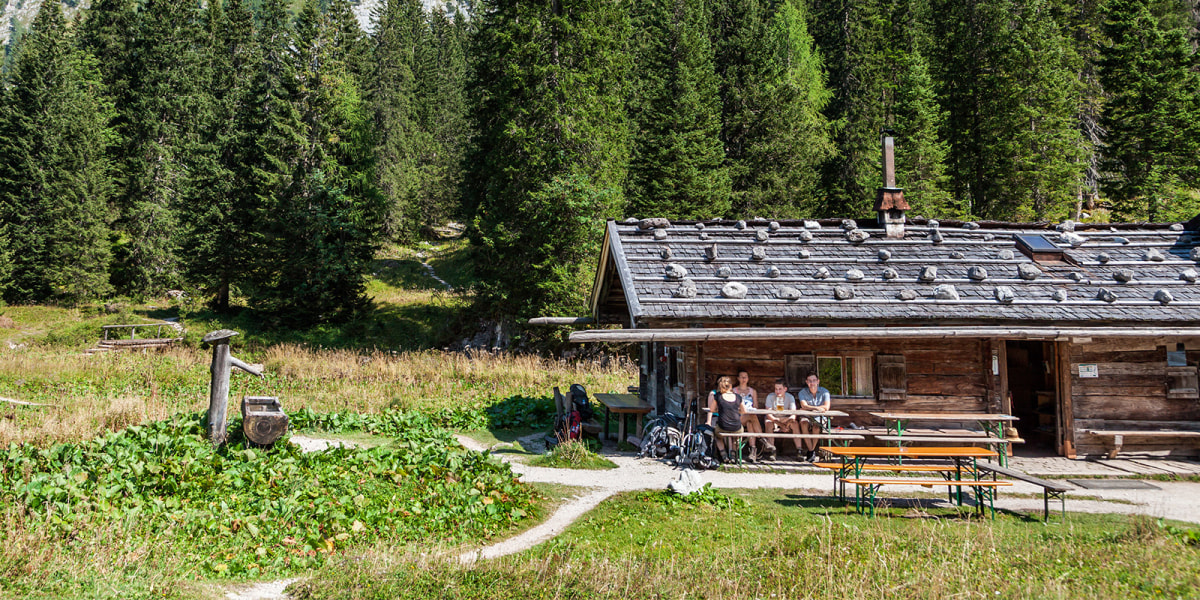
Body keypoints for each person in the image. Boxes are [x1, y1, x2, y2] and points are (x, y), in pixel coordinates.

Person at [707, 376, 744, 463]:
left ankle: (723, 454)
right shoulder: (738, 397)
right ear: (730, 386)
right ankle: (734, 454)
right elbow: (744, 410)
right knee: (738, 434)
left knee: (717, 434)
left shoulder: (718, 396)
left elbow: (711, 409)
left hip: (723, 426)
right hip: (736, 427)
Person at [796, 372, 832, 462]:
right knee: (803, 423)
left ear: (818, 381)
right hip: (807, 416)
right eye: (810, 381)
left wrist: (809, 408)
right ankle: (811, 451)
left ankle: (811, 451)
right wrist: (817, 408)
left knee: (816, 427)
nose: (812, 383)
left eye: (814, 381)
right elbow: (803, 406)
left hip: (820, 417)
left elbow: (826, 407)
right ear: (806, 382)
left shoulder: (825, 392)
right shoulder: (802, 392)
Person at [733, 369, 767, 461]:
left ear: (748, 378)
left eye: (746, 377)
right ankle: (763, 439)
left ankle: (752, 451)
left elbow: (755, 405)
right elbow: (733, 406)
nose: (744, 379)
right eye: (742, 377)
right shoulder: (734, 390)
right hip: (738, 417)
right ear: (738, 378)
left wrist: (751, 408)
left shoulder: (752, 391)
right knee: (751, 416)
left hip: (749, 416)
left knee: (750, 423)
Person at [762, 378, 798, 458]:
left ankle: (799, 450)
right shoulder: (770, 397)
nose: (777, 391)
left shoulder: (790, 397)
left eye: (780, 389)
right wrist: (780, 425)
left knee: (795, 424)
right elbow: (769, 414)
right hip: (774, 419)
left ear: (785, 389)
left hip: (785, 419)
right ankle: (772, 450)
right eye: (776, 389)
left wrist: (787, 425)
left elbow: (793, 414)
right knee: (768, 423)